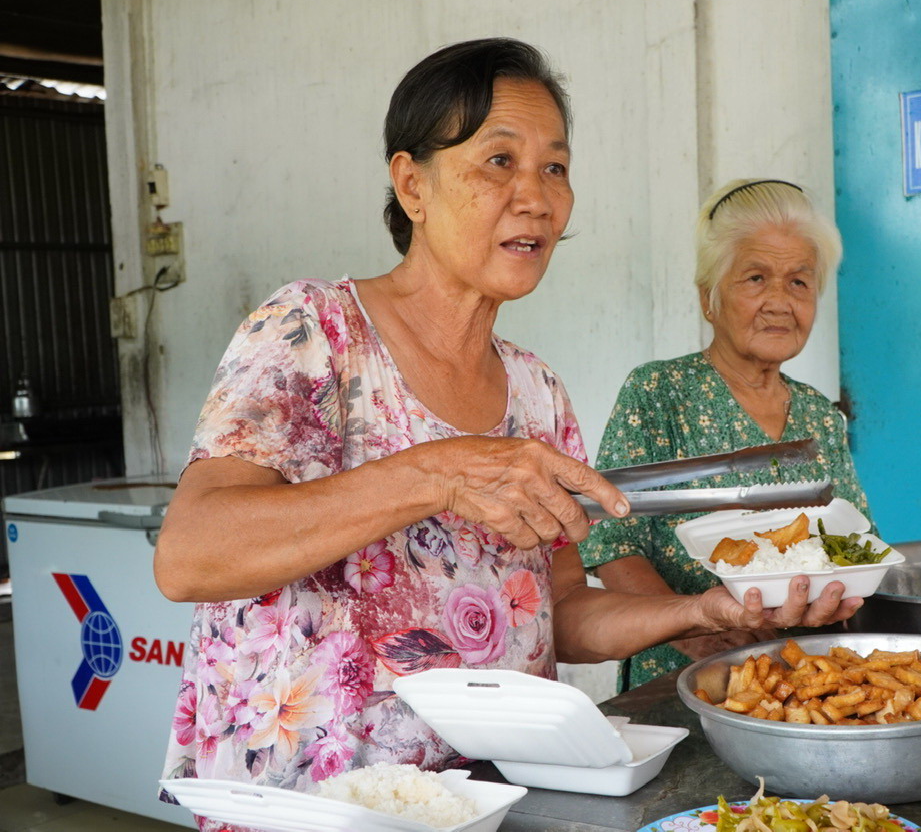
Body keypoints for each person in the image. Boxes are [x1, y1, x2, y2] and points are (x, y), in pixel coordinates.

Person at [153, 41, 860, 819]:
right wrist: (438, 474)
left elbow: (560, 610)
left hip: (489, 802)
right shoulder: (314, 333)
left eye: (554, 168)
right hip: (316, 801)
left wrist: (701, 613)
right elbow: (190, 553)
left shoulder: (536, 391)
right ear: (412, 184)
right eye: (499, 161)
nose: (536, 197)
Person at [579, 179, 875, 689]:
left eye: (800, 283)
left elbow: (854, 544)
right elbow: (612, 542)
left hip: (799, 679)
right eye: (756, 278)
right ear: (709, 299)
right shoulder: (658, 392)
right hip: (677, 675)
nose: (780, 302)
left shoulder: (820, 417)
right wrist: (693, 627)